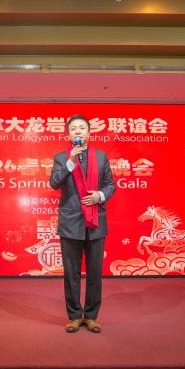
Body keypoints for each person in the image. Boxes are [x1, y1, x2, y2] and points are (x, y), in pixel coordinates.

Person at [49, 114, 116, 333]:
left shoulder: (101, 157)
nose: (78, 131)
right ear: (68, 135)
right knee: (72, 273)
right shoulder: (61, 158)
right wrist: (70, 162)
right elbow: (54, 183)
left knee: (95, 273)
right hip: (71, 223)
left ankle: (92, 316)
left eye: (82, 128)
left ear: (88, 132)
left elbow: (110, 185)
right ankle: (75, 316)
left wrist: (100, 196)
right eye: (73, 129)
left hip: (96, 222)